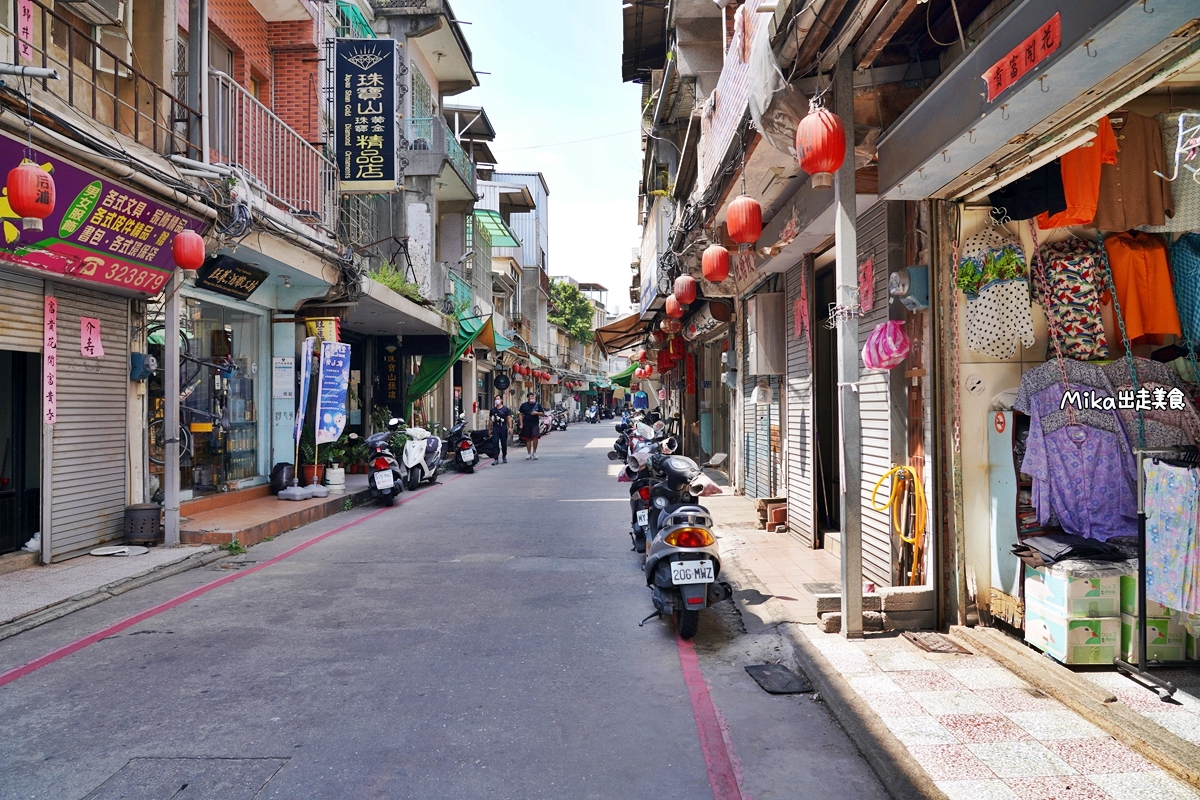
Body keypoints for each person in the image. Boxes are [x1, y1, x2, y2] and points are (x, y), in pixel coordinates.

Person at [518, 391, 544, 460]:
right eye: (530, 397)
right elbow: (520, 414)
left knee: (535, 437)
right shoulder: (524, 405)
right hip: (526, 424)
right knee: (528, 439)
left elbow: (542, 414)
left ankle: (534, 452)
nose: (532, 398)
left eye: (533, 397)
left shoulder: (537, 405)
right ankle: (529, 453)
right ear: (528, 398)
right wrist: (521, 424)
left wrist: (536, 413)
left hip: (535, 424)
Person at [489, 394, 511, 465]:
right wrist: (489, 429)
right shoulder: (492, 410)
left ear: (501, 400)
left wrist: (510, 427)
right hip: (495, 429)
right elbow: (490, 420)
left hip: (503, 429)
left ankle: (504, 456)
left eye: (498, 399)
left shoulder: (505, 409)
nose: (497, 400)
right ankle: (496, 458)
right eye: (496, 399)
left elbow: (509, 418)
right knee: (495, 443)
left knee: (503, 443)